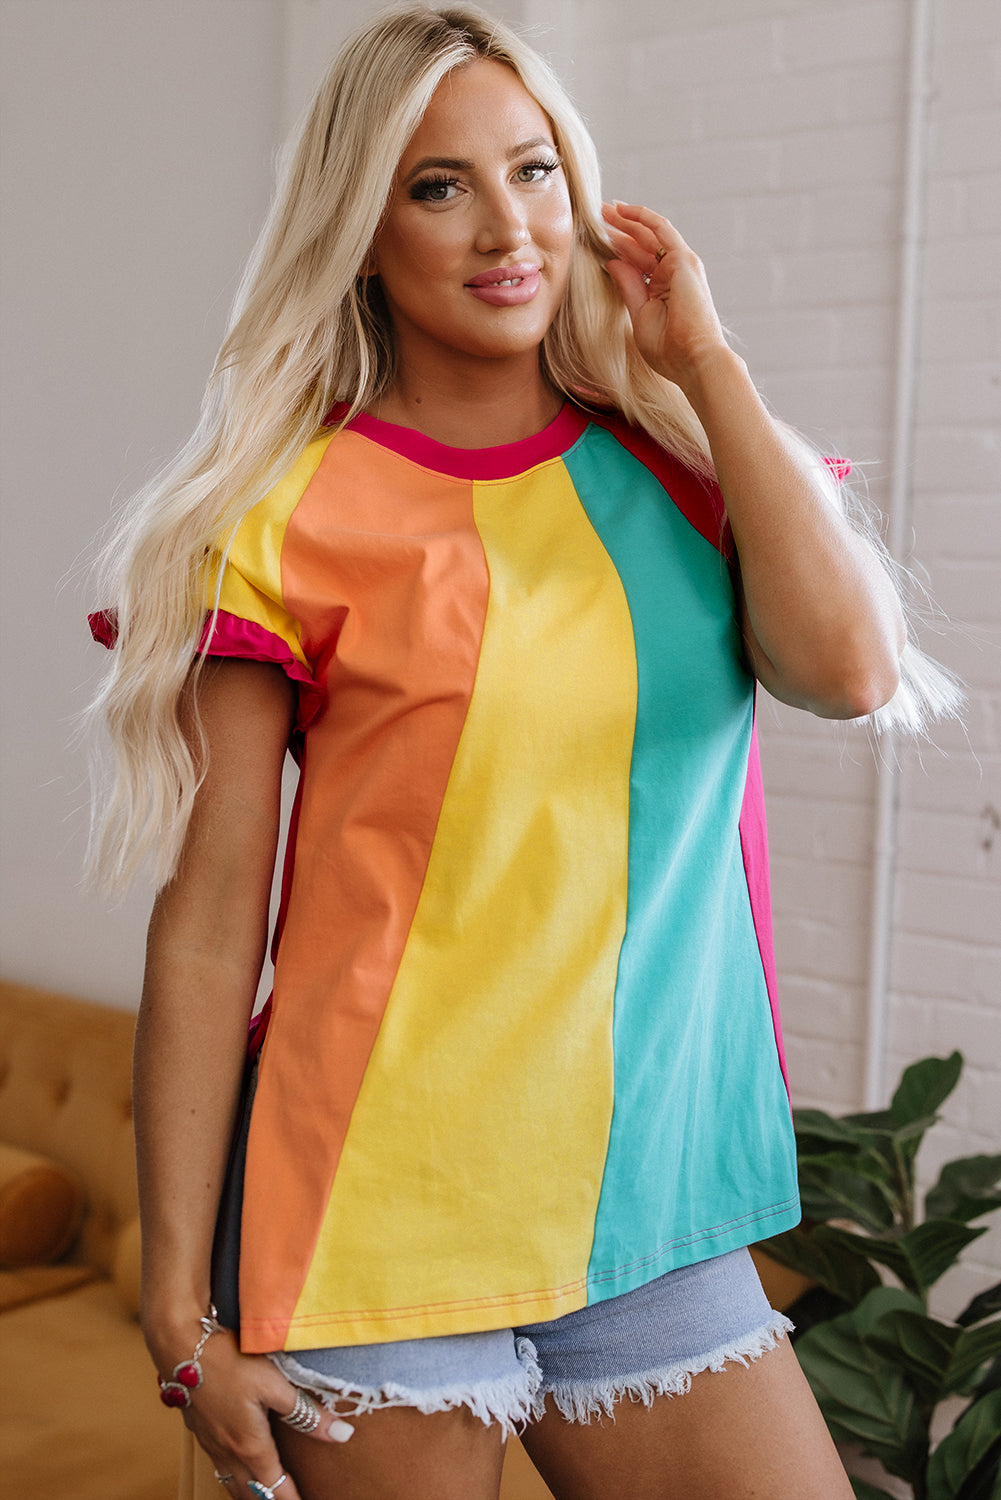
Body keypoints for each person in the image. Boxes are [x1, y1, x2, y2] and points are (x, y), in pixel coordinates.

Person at [87, 6, 959, 1498]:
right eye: (439, 187)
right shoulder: (281, 519)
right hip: (371, 1207)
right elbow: (212, 919)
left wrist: (705, 358)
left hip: (649, 1204)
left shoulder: (686, 464)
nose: (507, 227)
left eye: (534, 170)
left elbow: (848, 671)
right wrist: (179, 1309)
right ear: (362, 234)